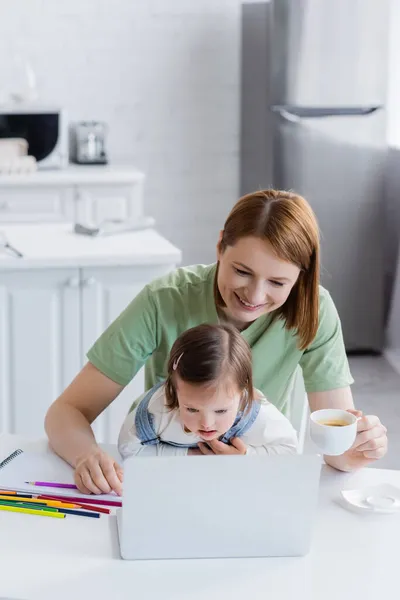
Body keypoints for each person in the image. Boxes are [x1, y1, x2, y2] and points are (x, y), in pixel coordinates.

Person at [45, 189, 388, 496]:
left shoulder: (315, 309)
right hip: (168, 480)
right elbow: (66, 412)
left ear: (301, 276)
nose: (254, 295)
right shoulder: (165, 299)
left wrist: (360, 446)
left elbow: (337, 450)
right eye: (242, 271)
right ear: (220, 245)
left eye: (277, 282)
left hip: (259, 484)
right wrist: (87, 456)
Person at [118, 323, 298, 458]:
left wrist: (244, 456)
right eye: (192, 409)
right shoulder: (157, 411)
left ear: (242, 391)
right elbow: (128, 449)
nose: (206, 423)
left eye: (221, 411)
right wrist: (190, 455)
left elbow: (290, 450)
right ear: (172, 388)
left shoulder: (253, 412)